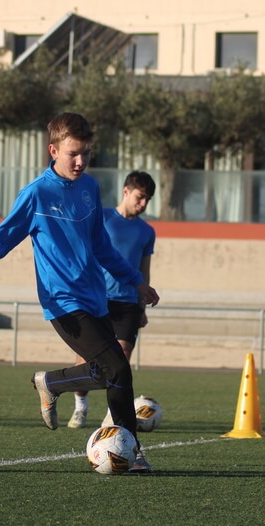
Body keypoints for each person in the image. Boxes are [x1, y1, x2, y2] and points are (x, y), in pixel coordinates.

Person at [0, 112, 160, 473]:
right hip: (63, 302)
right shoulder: (36, 194)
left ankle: (50, 382)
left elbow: (102, 247)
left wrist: (135, 280)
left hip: (95, 297)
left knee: (109, 373)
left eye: (86, 152)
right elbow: (0, 238)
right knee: (118, 368)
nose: (81, 161)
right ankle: (134, 453)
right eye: (73, 153)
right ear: (54, 150)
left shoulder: (90, 188)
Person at [67, 171, 157, 429]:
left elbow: (144, 268)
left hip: (128, 302)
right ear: (126, 191)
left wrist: (142, 303)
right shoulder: (102, 218)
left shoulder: (147, 232)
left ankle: (112, 416)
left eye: (148, 200)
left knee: (121, 360)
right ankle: (80, 407)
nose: (143, 204)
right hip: (97, 298)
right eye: (140, 197)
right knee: (86, 359)